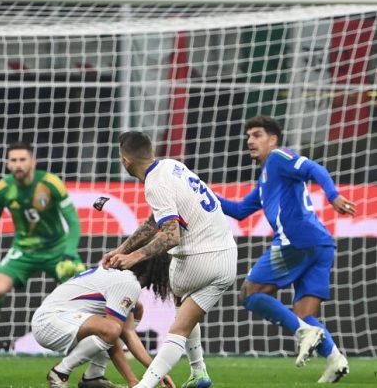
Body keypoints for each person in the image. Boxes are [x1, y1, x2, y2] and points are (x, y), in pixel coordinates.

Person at [216, 115, 355, 383]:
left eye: (257, 135)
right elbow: (239, 211)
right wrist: (200, 192)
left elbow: (315, 169)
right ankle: (336, 359)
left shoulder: (279, 157)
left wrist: (333, 194)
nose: (250, 141)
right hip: (321, 245)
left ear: (273, 139)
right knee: (305, 314)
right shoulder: (266, 178)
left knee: (249, 293)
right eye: (248, 136)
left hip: (296, 242)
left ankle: (303, 333)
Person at [102, 131, 237, 388]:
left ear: (125, 161)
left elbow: (171, 236)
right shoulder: (172, 166)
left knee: (179, 327)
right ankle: (199, 372)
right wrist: (122, 248)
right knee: (185, 312)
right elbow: (156, 221)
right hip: (228, 259)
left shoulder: (154, 184)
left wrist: (132, 258)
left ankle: (144, 386)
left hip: (199, 258)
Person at [0, 141, 85, 339]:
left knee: (83, 293)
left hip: (57, 249)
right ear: (7, 164)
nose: (18, 164)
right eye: (13, 160)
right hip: (23, 249)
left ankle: (102, 335)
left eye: (22, 159)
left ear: (33, 162)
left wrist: (70, 253)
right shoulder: (3, 189)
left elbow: (73, 222)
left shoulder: (50, 183)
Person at [33, 254, 174, 388]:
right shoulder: (128, 283)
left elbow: (128, 332)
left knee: (136, 310)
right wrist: (133, 381)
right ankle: (60, 372)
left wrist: (157, 372)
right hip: (50, 322)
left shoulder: (122, 278)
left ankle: (94, 377)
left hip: (58, 319)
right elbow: (113, 335)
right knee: (111, 329)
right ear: (156, 269)